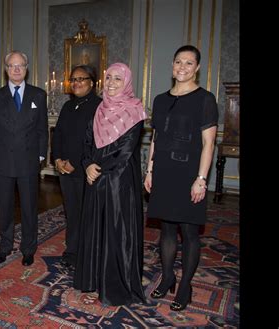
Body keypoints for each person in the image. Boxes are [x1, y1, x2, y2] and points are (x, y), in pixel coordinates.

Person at [144, 45, 218, 311]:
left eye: (189, 63)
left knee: (188, 232)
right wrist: (150, 169)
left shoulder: (205, 99)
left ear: (197, 68)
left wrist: (201, 178)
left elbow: (208, 143)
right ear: (172, 65)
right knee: (166, 229)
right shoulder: (160, 99)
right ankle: (167, 278)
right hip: (163, 170)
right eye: (178, 62)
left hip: (189, 172)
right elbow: (155, 138)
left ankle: (185, 286)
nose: (182, 67)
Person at [73, 62, 147, 306]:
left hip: (119, 182)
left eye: (118, 78)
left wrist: (98, 168)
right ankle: (93, 279)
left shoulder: (135, 111)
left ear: (126, 82)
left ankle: (115, 285)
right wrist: (87, 165)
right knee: (96, 229)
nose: (112, 83)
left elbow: (125, 151)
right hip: (95, 179)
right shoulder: (98, 110)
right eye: (109, 77)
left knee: (116, 232)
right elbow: (86, 143)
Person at [0, 50, 48, 266]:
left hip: (29, 162)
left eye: (20, 65)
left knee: (29, 208)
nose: (16, 69)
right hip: (2, 163)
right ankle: (5, 246)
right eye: (12, 66)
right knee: (5, 208)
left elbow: (42, 129)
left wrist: (40, 156)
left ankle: (28, 248)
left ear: (26, 69)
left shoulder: (38, 95)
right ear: (6, 69)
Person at [52, 65, 101, 268]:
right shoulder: (67, 106)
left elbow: (93, 140)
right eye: (73, 79)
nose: (77, 83)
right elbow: (59, 135)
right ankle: (72, 250)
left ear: (92, 82)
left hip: (85, 170)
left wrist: (74, 162)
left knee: (87, 214)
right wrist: (57, 159)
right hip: (65, 170)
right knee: (72, 212)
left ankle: (88, 253)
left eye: (82, 78)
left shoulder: (99, 106)